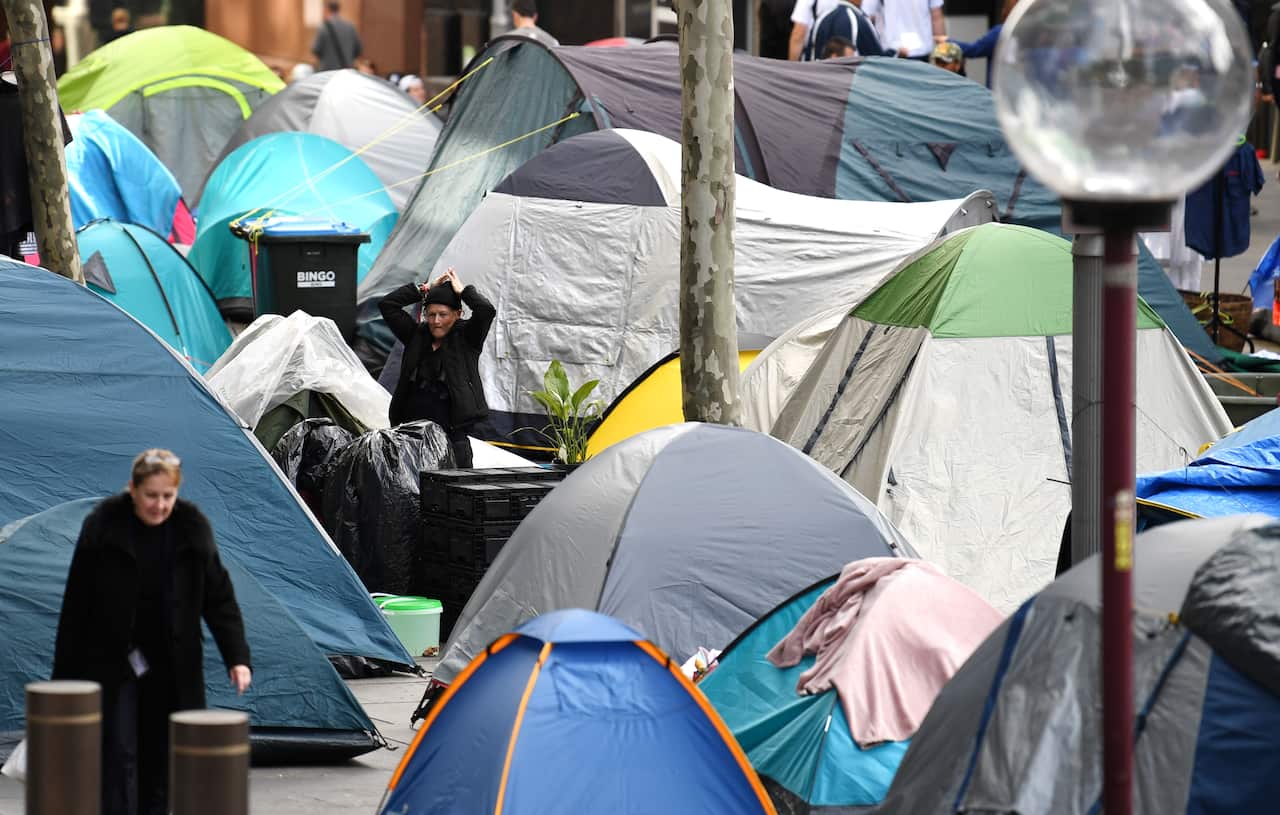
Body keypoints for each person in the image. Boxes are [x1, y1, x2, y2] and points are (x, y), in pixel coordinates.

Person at [53, 449, 251, 815]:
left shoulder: (192, 529)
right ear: (132, 489)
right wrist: (63, 678)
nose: (159, 505)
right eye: (151, 495)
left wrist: (237, 657)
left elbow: (219, 597)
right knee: (117, 755)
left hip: (173, 664)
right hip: (113, 663)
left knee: (162, 761)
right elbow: (76, 605)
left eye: (167, 496)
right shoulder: (102, 527)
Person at [378, 268, 496, 468]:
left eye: (443, 315)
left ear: (458, 314)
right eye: (431, 315)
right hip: (411, 438)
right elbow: (387, 305)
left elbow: (486, 311)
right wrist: (425, 289)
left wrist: (463, 292)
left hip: (451, 438)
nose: (436, 321)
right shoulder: (416, 335)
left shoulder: (467, 339)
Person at [860, 0, 946, 59]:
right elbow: (936, 17)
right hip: (917, 52)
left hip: (893, 52)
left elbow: (867, 17)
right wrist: (942, 53)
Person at [311, 0, 362, 71]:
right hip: (346, 70)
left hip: (327, 70)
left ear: (327, 9)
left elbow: (315, 49)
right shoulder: (350, 27)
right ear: (339, 9)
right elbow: (358, 50)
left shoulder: (324, 27)